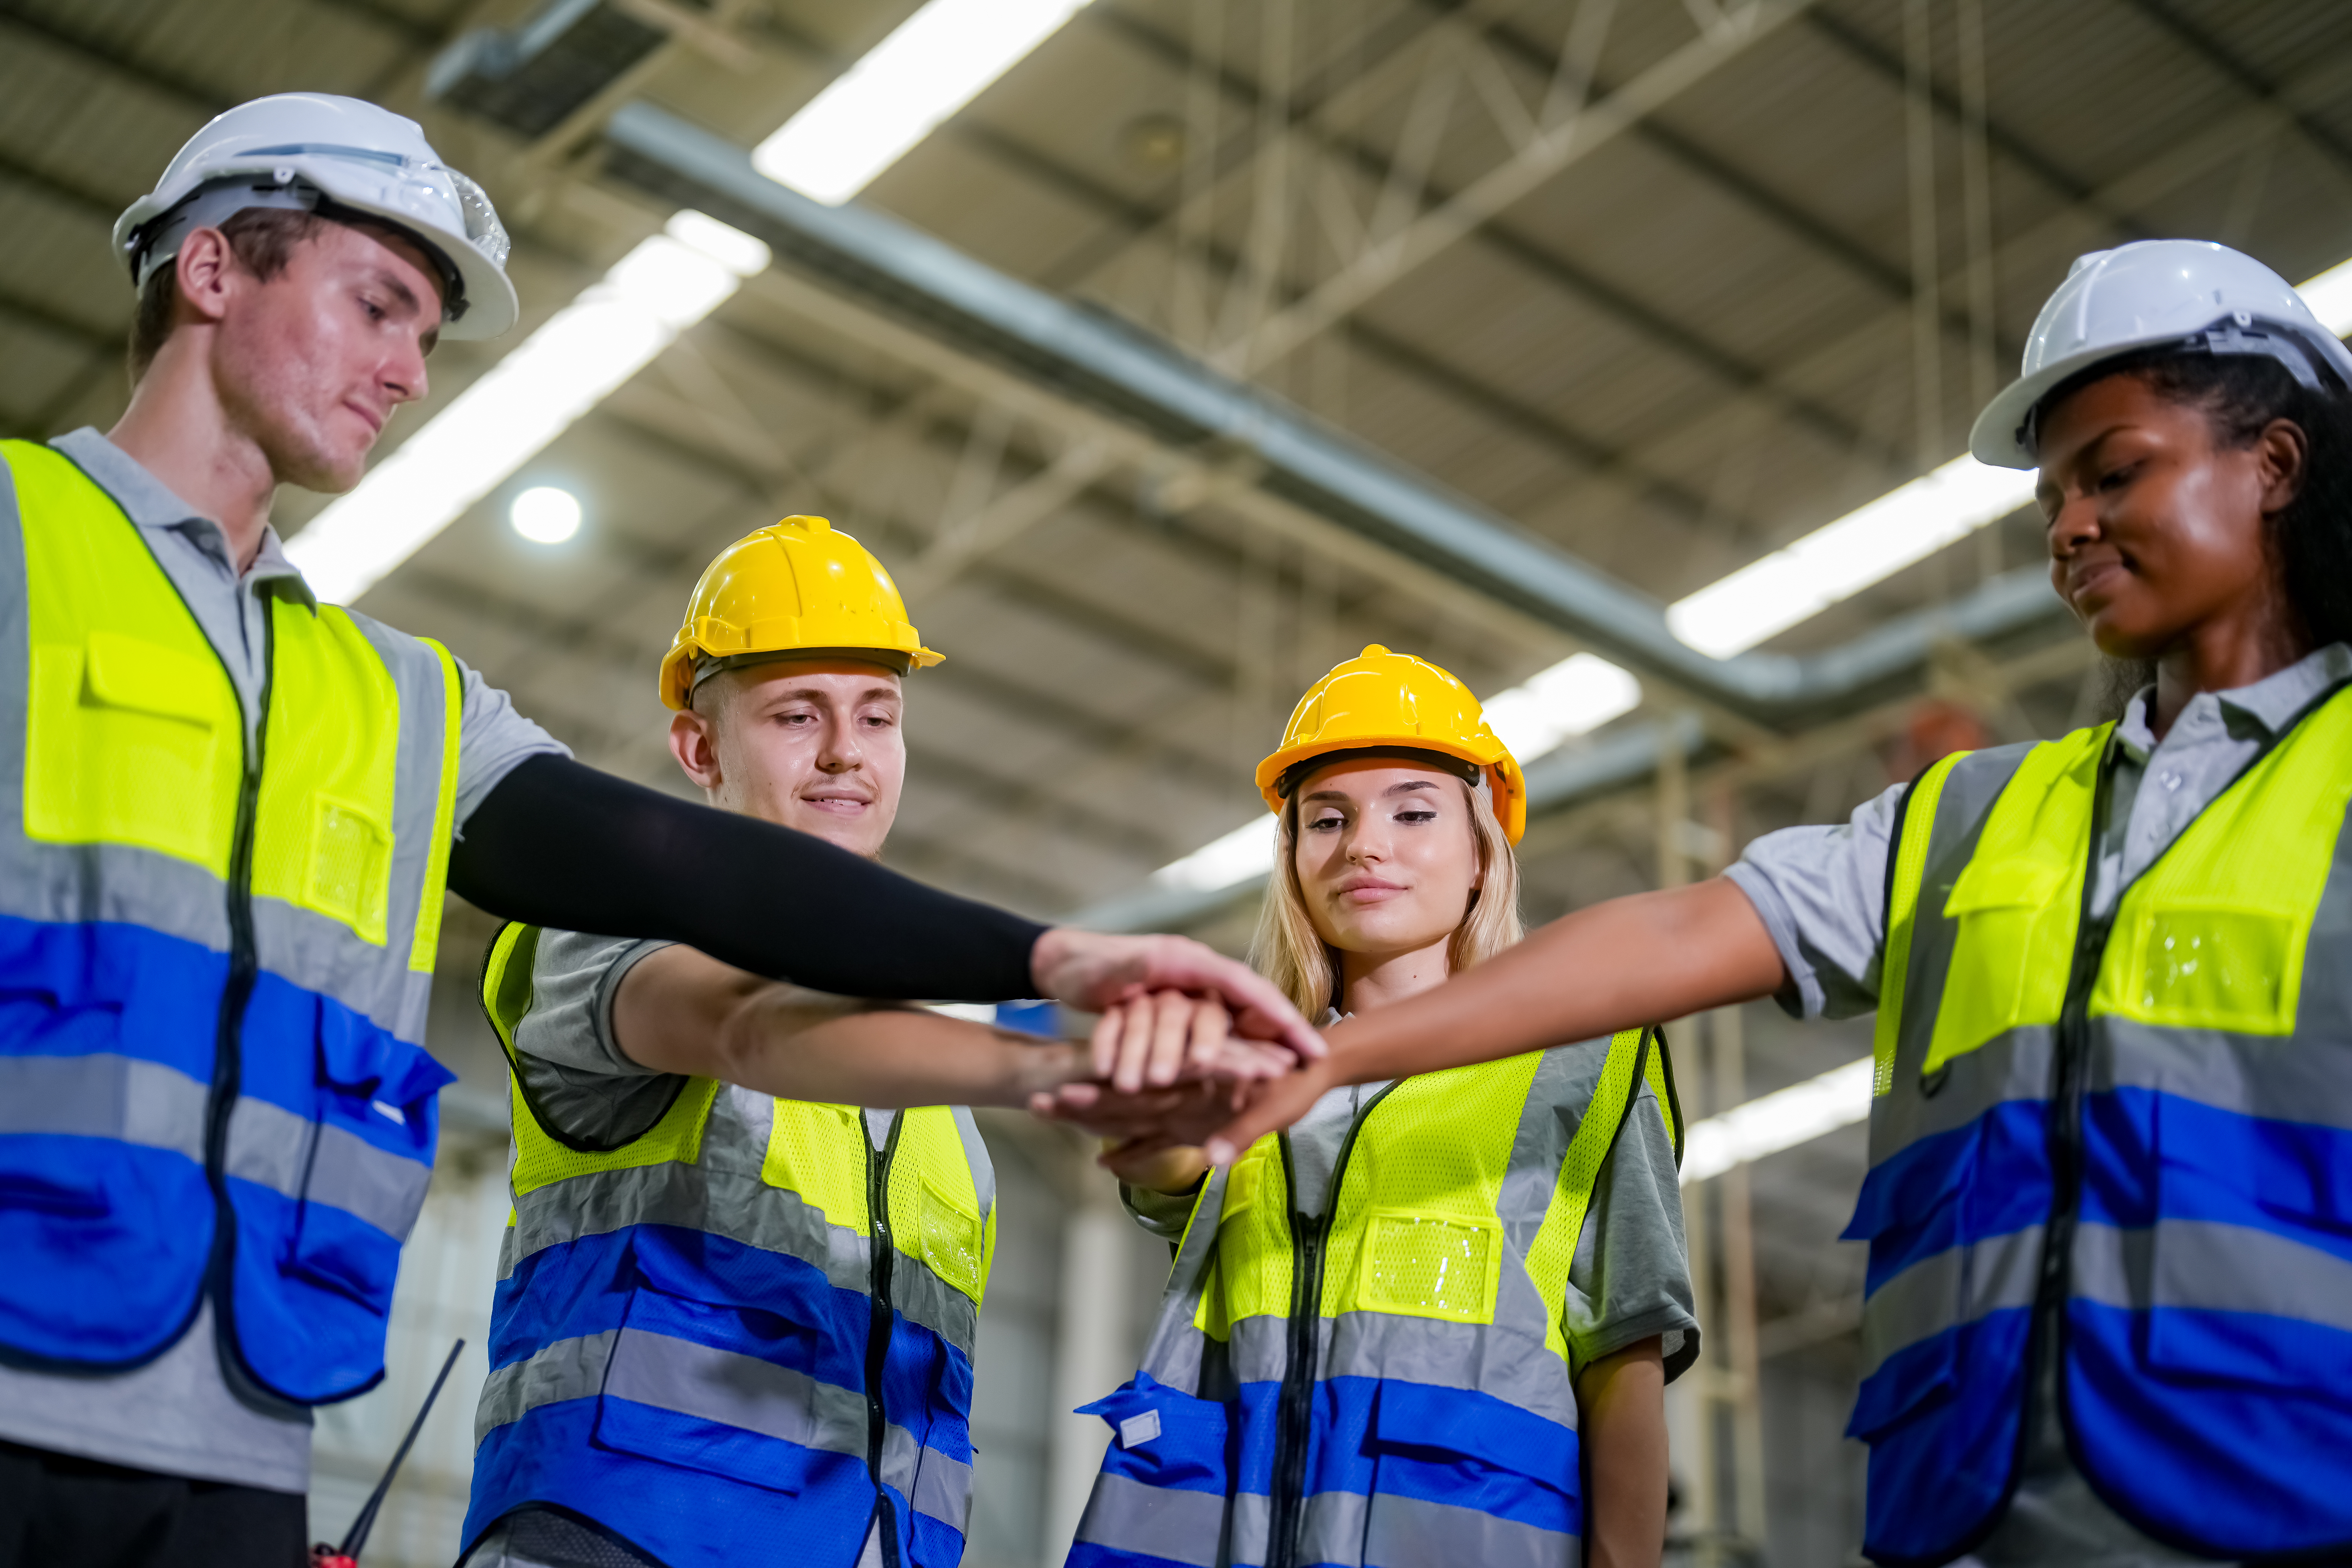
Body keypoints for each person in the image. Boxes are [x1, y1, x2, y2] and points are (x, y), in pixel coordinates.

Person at [0, 93, 1315, 1568]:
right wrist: (1061, 1021)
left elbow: (673, 857)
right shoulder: (18, 535)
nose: (406, 369)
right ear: (211, 269)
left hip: (240, 1417)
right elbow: (727, 991)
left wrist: (1056, 960)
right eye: (379, 304)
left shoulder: (403, 700)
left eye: (426, 333)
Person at [1101, 240, 2352, 1567]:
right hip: (1985, 1511)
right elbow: (1674, 935)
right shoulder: (1968, 818)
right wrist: (1316, 1058)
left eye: (2116, 473)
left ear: (2273, 464)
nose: (2069, 528)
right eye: (2053, 497)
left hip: (2289, 1490)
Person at [460, 518, 1257, 1568]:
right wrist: (1061, 1063)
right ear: (700, 748)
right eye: (799, 714)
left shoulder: (942, 1125)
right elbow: (744, 1025)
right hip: (618, 1543)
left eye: (877, 715)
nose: (847, 750)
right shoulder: (598, 932)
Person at [1054, 646, 1694, 1568]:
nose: (1364, 845)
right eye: (1327, 818)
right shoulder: (1250, 1071)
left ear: (1482, 853)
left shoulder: (1584, 1060)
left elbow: (1626, 1359)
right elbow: (1158, 1175)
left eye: (1414, 812)